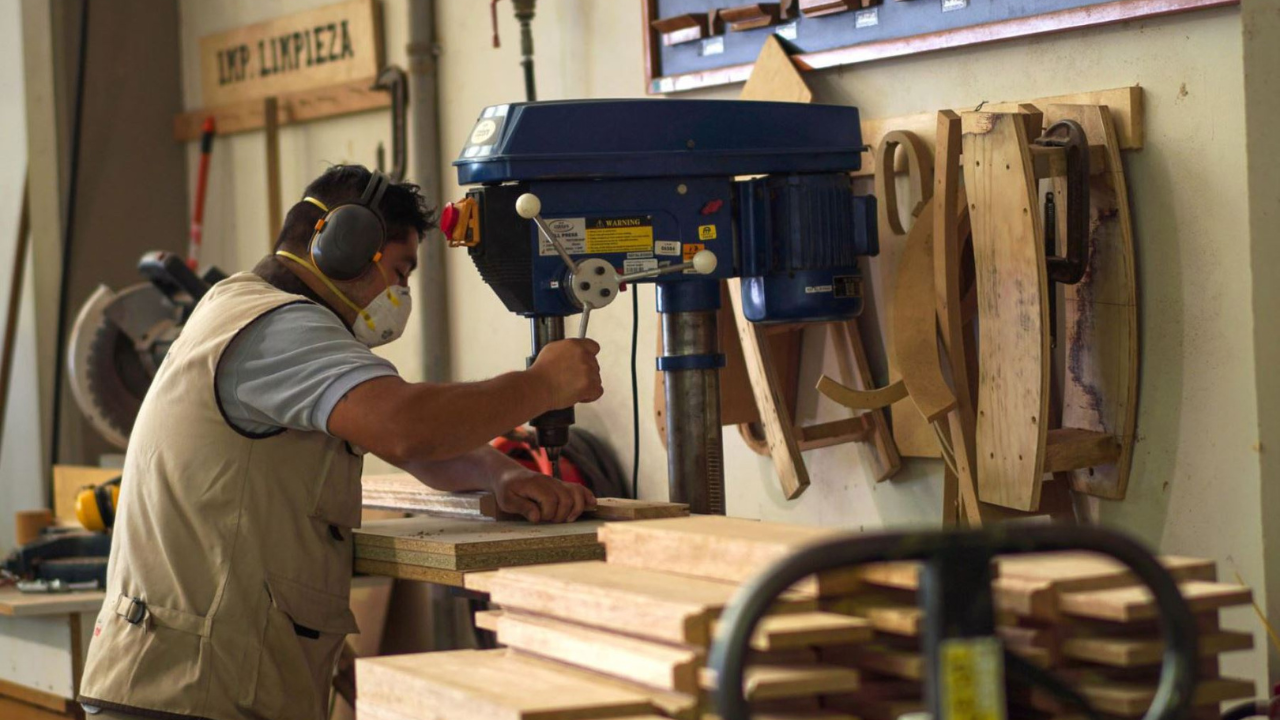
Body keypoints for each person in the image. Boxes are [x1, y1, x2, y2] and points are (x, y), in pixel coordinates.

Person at [78, 165, 602, 720]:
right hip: (188, 693)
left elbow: (403, 440)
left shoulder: (239, 308)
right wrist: (542, 385)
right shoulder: (276, 328)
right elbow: (406, 426)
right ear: (347, 244)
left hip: (191, 684)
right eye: (399, 270)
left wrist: (499, 474)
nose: (400, 294)